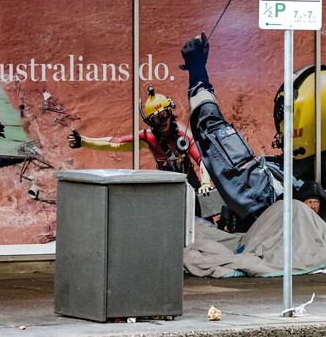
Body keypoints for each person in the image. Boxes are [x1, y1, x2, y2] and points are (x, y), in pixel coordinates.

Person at [180, 32, 281, 232]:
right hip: (264, 199)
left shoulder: (252, 189)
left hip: (260, 201)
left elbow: (210, 128)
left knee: (214, 135)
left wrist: (197, 70)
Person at [67, 86, 212, 193]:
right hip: (165, 185)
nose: (161, 122)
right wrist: (84, 141)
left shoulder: (183, 134)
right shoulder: (147, 137)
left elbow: (202, 160)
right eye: (155, 119)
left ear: (170, 112)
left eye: (163, 115)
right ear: (149, 121)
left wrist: (205, 183)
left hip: (189, 181)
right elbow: (115, 144)